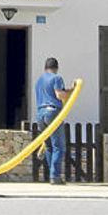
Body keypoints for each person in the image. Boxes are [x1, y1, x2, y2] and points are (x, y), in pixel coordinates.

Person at [35, 57, 75, 185]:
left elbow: (52, 93)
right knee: (59, 146)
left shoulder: (39, 81)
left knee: (48, 146)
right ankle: (55, 176)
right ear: (56, 68)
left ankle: (52, 175)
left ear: (45, 68)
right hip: (52, 112)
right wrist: (72, 91)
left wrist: (68, 90)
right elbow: (59, 95)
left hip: (40, 114)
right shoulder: (57, 78)